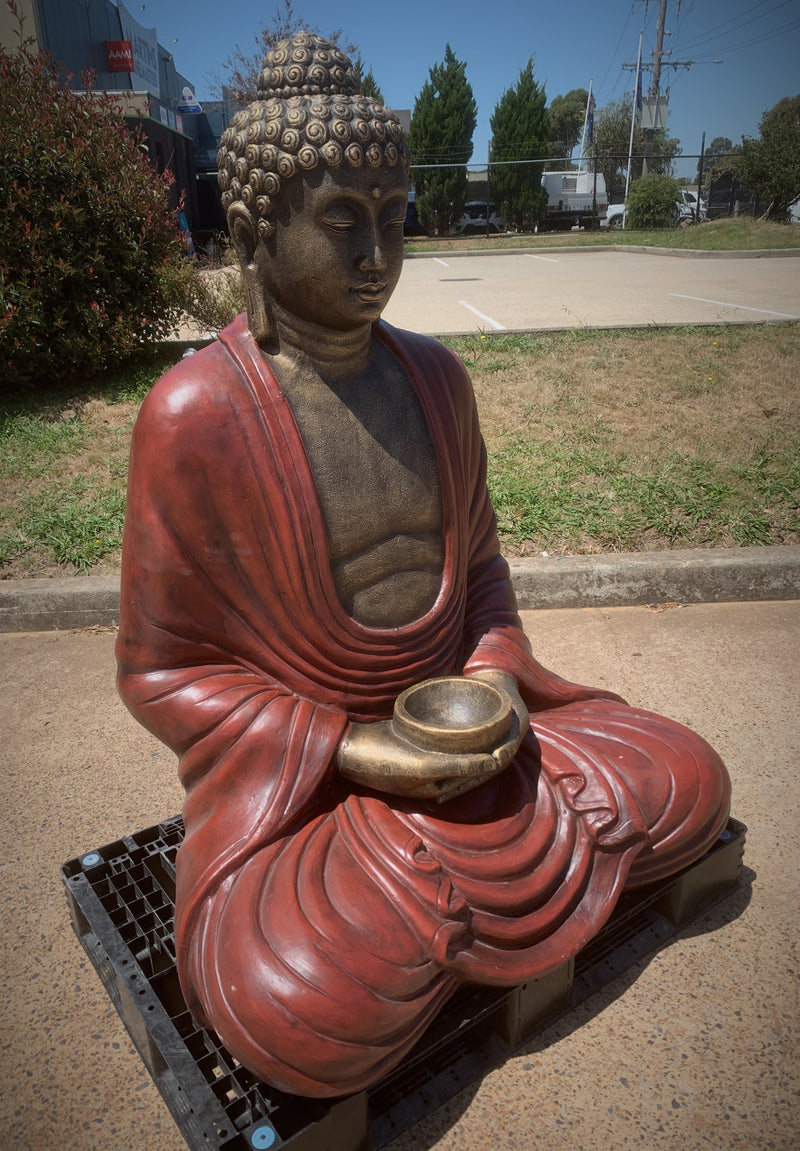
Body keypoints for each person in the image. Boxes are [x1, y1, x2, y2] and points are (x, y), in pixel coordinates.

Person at [116, 33, 731, 1099]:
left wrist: (494, 677)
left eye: (394, 221)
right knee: (290, 1001)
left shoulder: (438, 379)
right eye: (342, 223)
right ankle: (421, 903)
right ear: (260, 228)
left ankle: (443, 912)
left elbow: (481, 578)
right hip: (307, 790)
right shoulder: (194, 415)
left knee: (681, 776)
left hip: (472, 732)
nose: (376, 257)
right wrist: (351, 748)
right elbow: (165, 671)